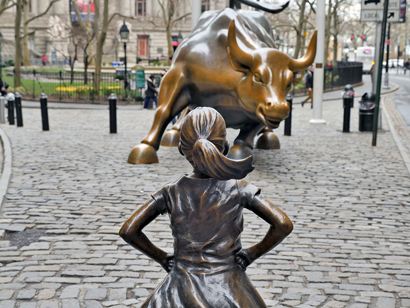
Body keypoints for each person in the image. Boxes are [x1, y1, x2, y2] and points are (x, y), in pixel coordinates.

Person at [120, 107, 293, 308]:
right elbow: (283, 224)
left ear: (181, 150)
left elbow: (129, 230)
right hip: (228, 289)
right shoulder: (239, 189)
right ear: (225, 146)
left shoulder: (170, 192)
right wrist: (251, 253)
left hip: (179, 288)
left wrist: (162, 257)